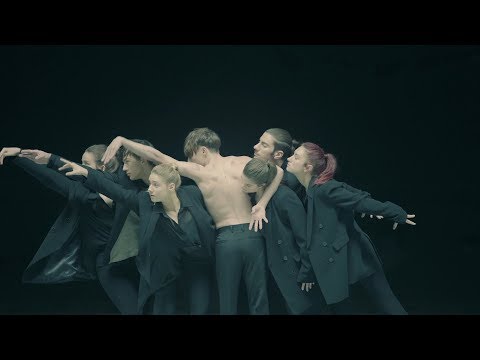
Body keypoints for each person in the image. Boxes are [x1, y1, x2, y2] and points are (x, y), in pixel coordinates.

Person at [101, 128, 284, 314]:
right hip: (253, 234)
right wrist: (261, 204)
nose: (191, 160)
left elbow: (158, 157)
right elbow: (277, 171)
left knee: (227, 302)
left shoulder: (200, 172)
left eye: (192, 155)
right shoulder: (243, 162)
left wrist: (123, 140)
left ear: (203, 150)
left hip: (226, 239)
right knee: (259, 298)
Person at [60, 160, 216, 315]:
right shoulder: (145, 201)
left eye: (155, 185)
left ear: (171, 186)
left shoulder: (193, 193)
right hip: (166, 272)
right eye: (149, 184)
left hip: (197, 268)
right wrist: (86, 173)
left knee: (200, 310)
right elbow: (114, 190)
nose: (150, 189)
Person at [19, 140, 156, 314]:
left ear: (103, 166)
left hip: (136, 260)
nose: (80, 166)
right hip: (108, 265)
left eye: (86, 163)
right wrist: (18, 157)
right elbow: (49, 178)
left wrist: (51, 159)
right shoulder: (81, 193)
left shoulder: (123, 185)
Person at [286, 142, 416, 314]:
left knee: (384, 298)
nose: (289, 158)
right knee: (339, 305)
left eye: (296, 156)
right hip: (340, 254)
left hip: (357, 254)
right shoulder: (312, 190)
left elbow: (358, 199)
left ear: (307, 167)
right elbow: (351, 193)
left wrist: (395, 213)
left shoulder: (324, 188)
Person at [241, 158, 314, 314]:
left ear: (261, 185)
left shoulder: (284, 196)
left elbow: (304, 236)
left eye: (247, 185)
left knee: (304, 309)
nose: (242, 187)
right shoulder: (256, 198)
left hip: (294, 267)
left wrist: (307, 272)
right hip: (276, 267)